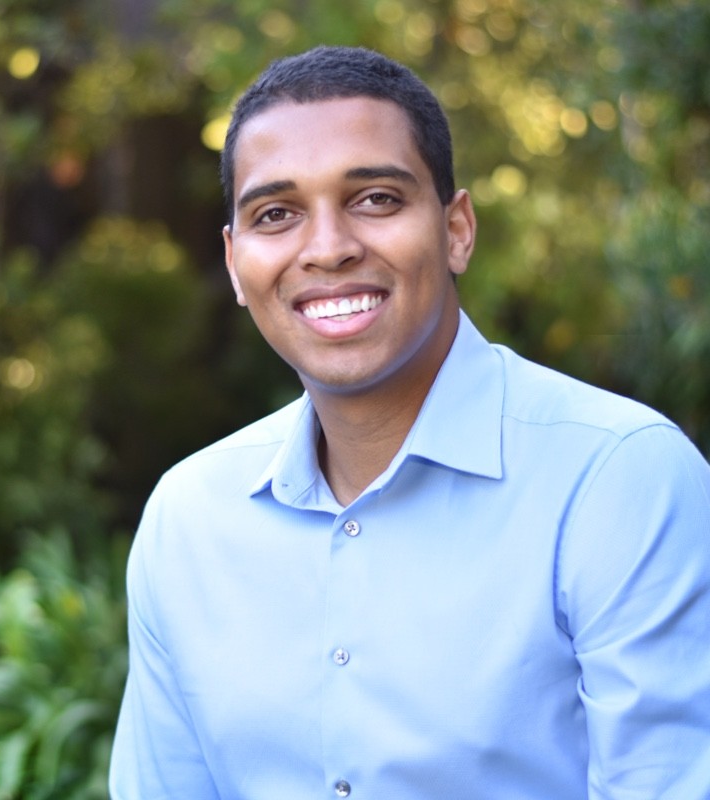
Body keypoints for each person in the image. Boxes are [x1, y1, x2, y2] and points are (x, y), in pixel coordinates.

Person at [109, 46, 710, 799]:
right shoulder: (187, 520)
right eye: (276, 214)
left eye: (375, 199)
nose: (328, 249)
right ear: (235, 263)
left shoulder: (618, 479)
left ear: (456, 230)